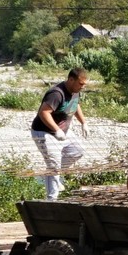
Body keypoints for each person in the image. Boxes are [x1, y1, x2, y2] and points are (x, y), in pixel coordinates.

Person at [31, 66, 90, 200]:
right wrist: (56, 130)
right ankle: (52, 199)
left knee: (78, 151)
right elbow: (44, 112)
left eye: (84, 85)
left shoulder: (75, 91)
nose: (83, 87)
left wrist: (83, 123)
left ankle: (51, 174)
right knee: (54, 165)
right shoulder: (57, 93)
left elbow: (75, 105)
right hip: (44, 132)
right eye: (81, 84)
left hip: (63, 131)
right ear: (71, 79)